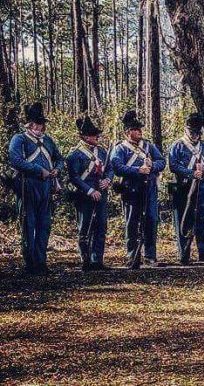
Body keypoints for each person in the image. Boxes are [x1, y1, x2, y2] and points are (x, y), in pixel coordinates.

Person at [8, 102, 64, 275]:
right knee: (28, 224)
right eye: (39, 123)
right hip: (27, 186)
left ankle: (41, 262)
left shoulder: (48, 140)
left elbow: (59, 159)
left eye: (43, 123)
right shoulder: (20, 139)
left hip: (46, 187)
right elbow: (16, 160)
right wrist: (40, 171)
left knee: (44, 225)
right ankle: (30, 263)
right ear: (31, 125)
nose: (42, 126)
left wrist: (57, 169)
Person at [111, 110, 166, 269]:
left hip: (149, 188)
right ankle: (132, 256)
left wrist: (152, 166)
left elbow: (161, 161)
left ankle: (150, 256)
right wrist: (137, 170)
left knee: (151, 220)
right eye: (136, 129)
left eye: (140, 129)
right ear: (128, 132)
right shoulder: (120, 148)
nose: (140, 131)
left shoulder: (148, 146)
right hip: (131, 189)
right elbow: (117, 167)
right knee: (132, 222)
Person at [169, 113, 204, 264]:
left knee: (202, 220)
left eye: (198, 132)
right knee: (183, 220)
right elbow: (173, 165)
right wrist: (191, 173)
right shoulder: (177, 146)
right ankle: (184, 255)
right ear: (186, 130)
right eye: (192, 132)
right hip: (183, 187)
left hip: (201, 187)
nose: (195, 135)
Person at [66, 115, 113, 271]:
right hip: (84, 195)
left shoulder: (102, 152)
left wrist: (108, 180)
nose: (97, 137)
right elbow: (74, 177)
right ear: (85, 136)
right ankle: (85, 260)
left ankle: (97, 260)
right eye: (94, 135)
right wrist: (90, 190)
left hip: (102, 193)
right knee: (84, 227)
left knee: (101, 226)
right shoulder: (75, 154)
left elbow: (109, 169)